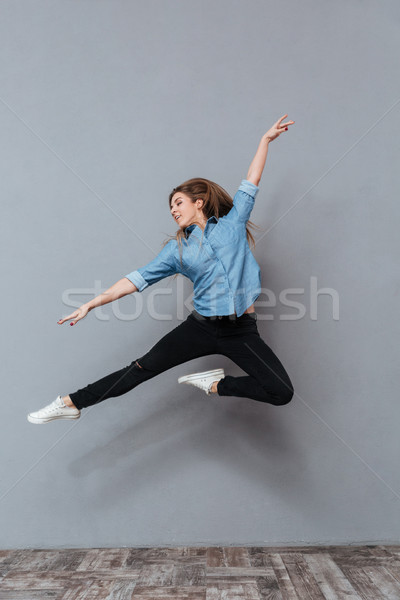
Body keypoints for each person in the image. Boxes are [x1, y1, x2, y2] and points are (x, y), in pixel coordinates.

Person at [27, 115, 295, 424]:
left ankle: (214, 384)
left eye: (179, 203)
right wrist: (90, 303)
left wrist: (265, 140)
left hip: (241, 331)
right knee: (141, 369)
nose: (173, 210)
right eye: (171, 208)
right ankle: (70, 403)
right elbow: (134, 280)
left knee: (281, 391)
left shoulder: (232, 224)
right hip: (202, 327)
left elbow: (252, 180)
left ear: (200, 201)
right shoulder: (177, 251)